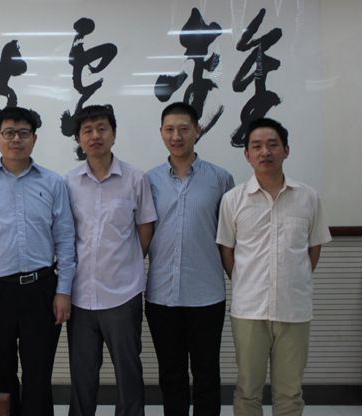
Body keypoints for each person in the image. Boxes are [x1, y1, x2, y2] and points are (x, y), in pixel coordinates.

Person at [0, 106, 76, 416]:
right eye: (9, 133)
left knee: (39, 376)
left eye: (23, 133)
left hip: (41, 289)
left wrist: (63, 291)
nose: (16, 140)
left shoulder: (53, 182)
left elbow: (65, 241)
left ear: (34, 138)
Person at [216, 117, 332, 416]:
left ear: (286, 150)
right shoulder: (233, 200)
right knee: (247, 390)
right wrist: (247, 281)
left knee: (290, 393)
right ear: (247, 154)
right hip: (249, 310)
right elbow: (227, 251)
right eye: (256, 146)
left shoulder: (308, 198)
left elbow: (313, 248)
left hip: (294, 309)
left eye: (272, 145)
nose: (265, 152)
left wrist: (293, 279)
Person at [64, 104, 157, 416]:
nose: (95, 136)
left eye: (102, 129)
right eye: (87, 131)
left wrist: (125, 263)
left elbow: (145, 229)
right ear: (79, 139)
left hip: (122, 293)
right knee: (82, 375)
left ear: (114, 134)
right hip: (80, 295)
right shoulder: (69, 182)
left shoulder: (135, 178)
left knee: (128, 372)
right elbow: (65, 235)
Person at [145, 102, 234, 416]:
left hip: (206, 294)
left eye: (184, 129)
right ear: (161, 133)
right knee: (171, 374)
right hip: (161, 294)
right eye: (169, 129)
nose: (176, 136)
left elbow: (230, 238)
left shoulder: (221, 179)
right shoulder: (149, 181)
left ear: (198, 130)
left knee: (207, 373)